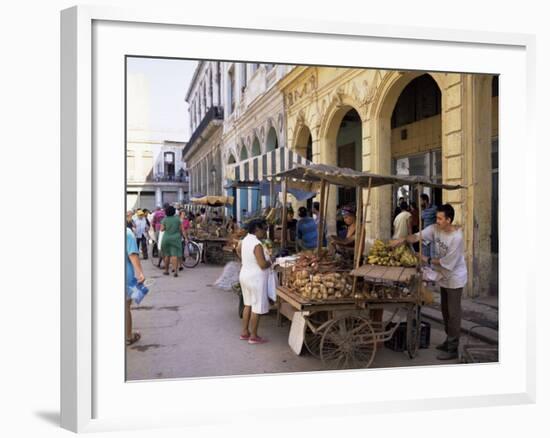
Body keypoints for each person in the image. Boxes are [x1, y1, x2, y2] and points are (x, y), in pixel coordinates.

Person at [390, 204, 467, 360]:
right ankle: (448, 341)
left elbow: (447, 262)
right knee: (445, 311)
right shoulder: (435, 229)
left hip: (455, 277)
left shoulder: (456, 238)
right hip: (443, 276)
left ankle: (453, 348)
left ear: (448, 220)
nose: (436, 221)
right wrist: (402, 240)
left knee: (453, 313)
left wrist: (425, 258)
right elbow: (417, 236)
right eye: (436, 218)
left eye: (439, 218)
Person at [237, 219, 272, 344]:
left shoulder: (245, 240)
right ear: (257, 229)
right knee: (256, 307)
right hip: (255, 278)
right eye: (264, 229)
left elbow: (237, 250)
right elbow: (262, 264)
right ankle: (254, 336)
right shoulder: (257, 244)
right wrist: (271, 261)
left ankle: (245, 332)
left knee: (248, 304)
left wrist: (246, 261)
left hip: (245, 274)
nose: (265, 232)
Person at [126, 226, 145, 346]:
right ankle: (128, 336)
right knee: (125, 307)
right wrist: (140, 273)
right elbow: (132, 254)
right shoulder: (127, 233)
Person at [160, 205, 183, 277]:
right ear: (174, 212)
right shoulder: (177, 219)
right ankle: (175, 272)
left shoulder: (164, 219)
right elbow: (181, 229)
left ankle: (166, 271)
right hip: (176, 238)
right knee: (174, 255)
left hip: (166, 238)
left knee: (167, 255)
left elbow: (162, 229)